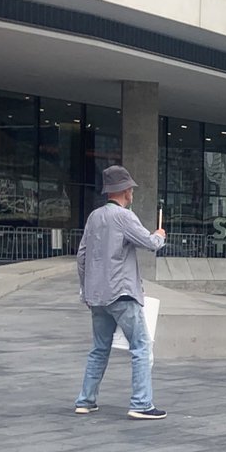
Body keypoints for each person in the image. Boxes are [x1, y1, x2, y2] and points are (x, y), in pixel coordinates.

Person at [74, 165, 168, 419]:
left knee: (99, 348)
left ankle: (85, 400)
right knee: (140, 346)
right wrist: (159, 235)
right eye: (131, 189)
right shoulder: (125, 217)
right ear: (126, 190)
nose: (132, 193)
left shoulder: (94, 217)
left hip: (97, 295)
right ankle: (141, 403)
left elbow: (82, 255)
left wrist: (85, 288)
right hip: (122, 292)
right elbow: (149, 243)